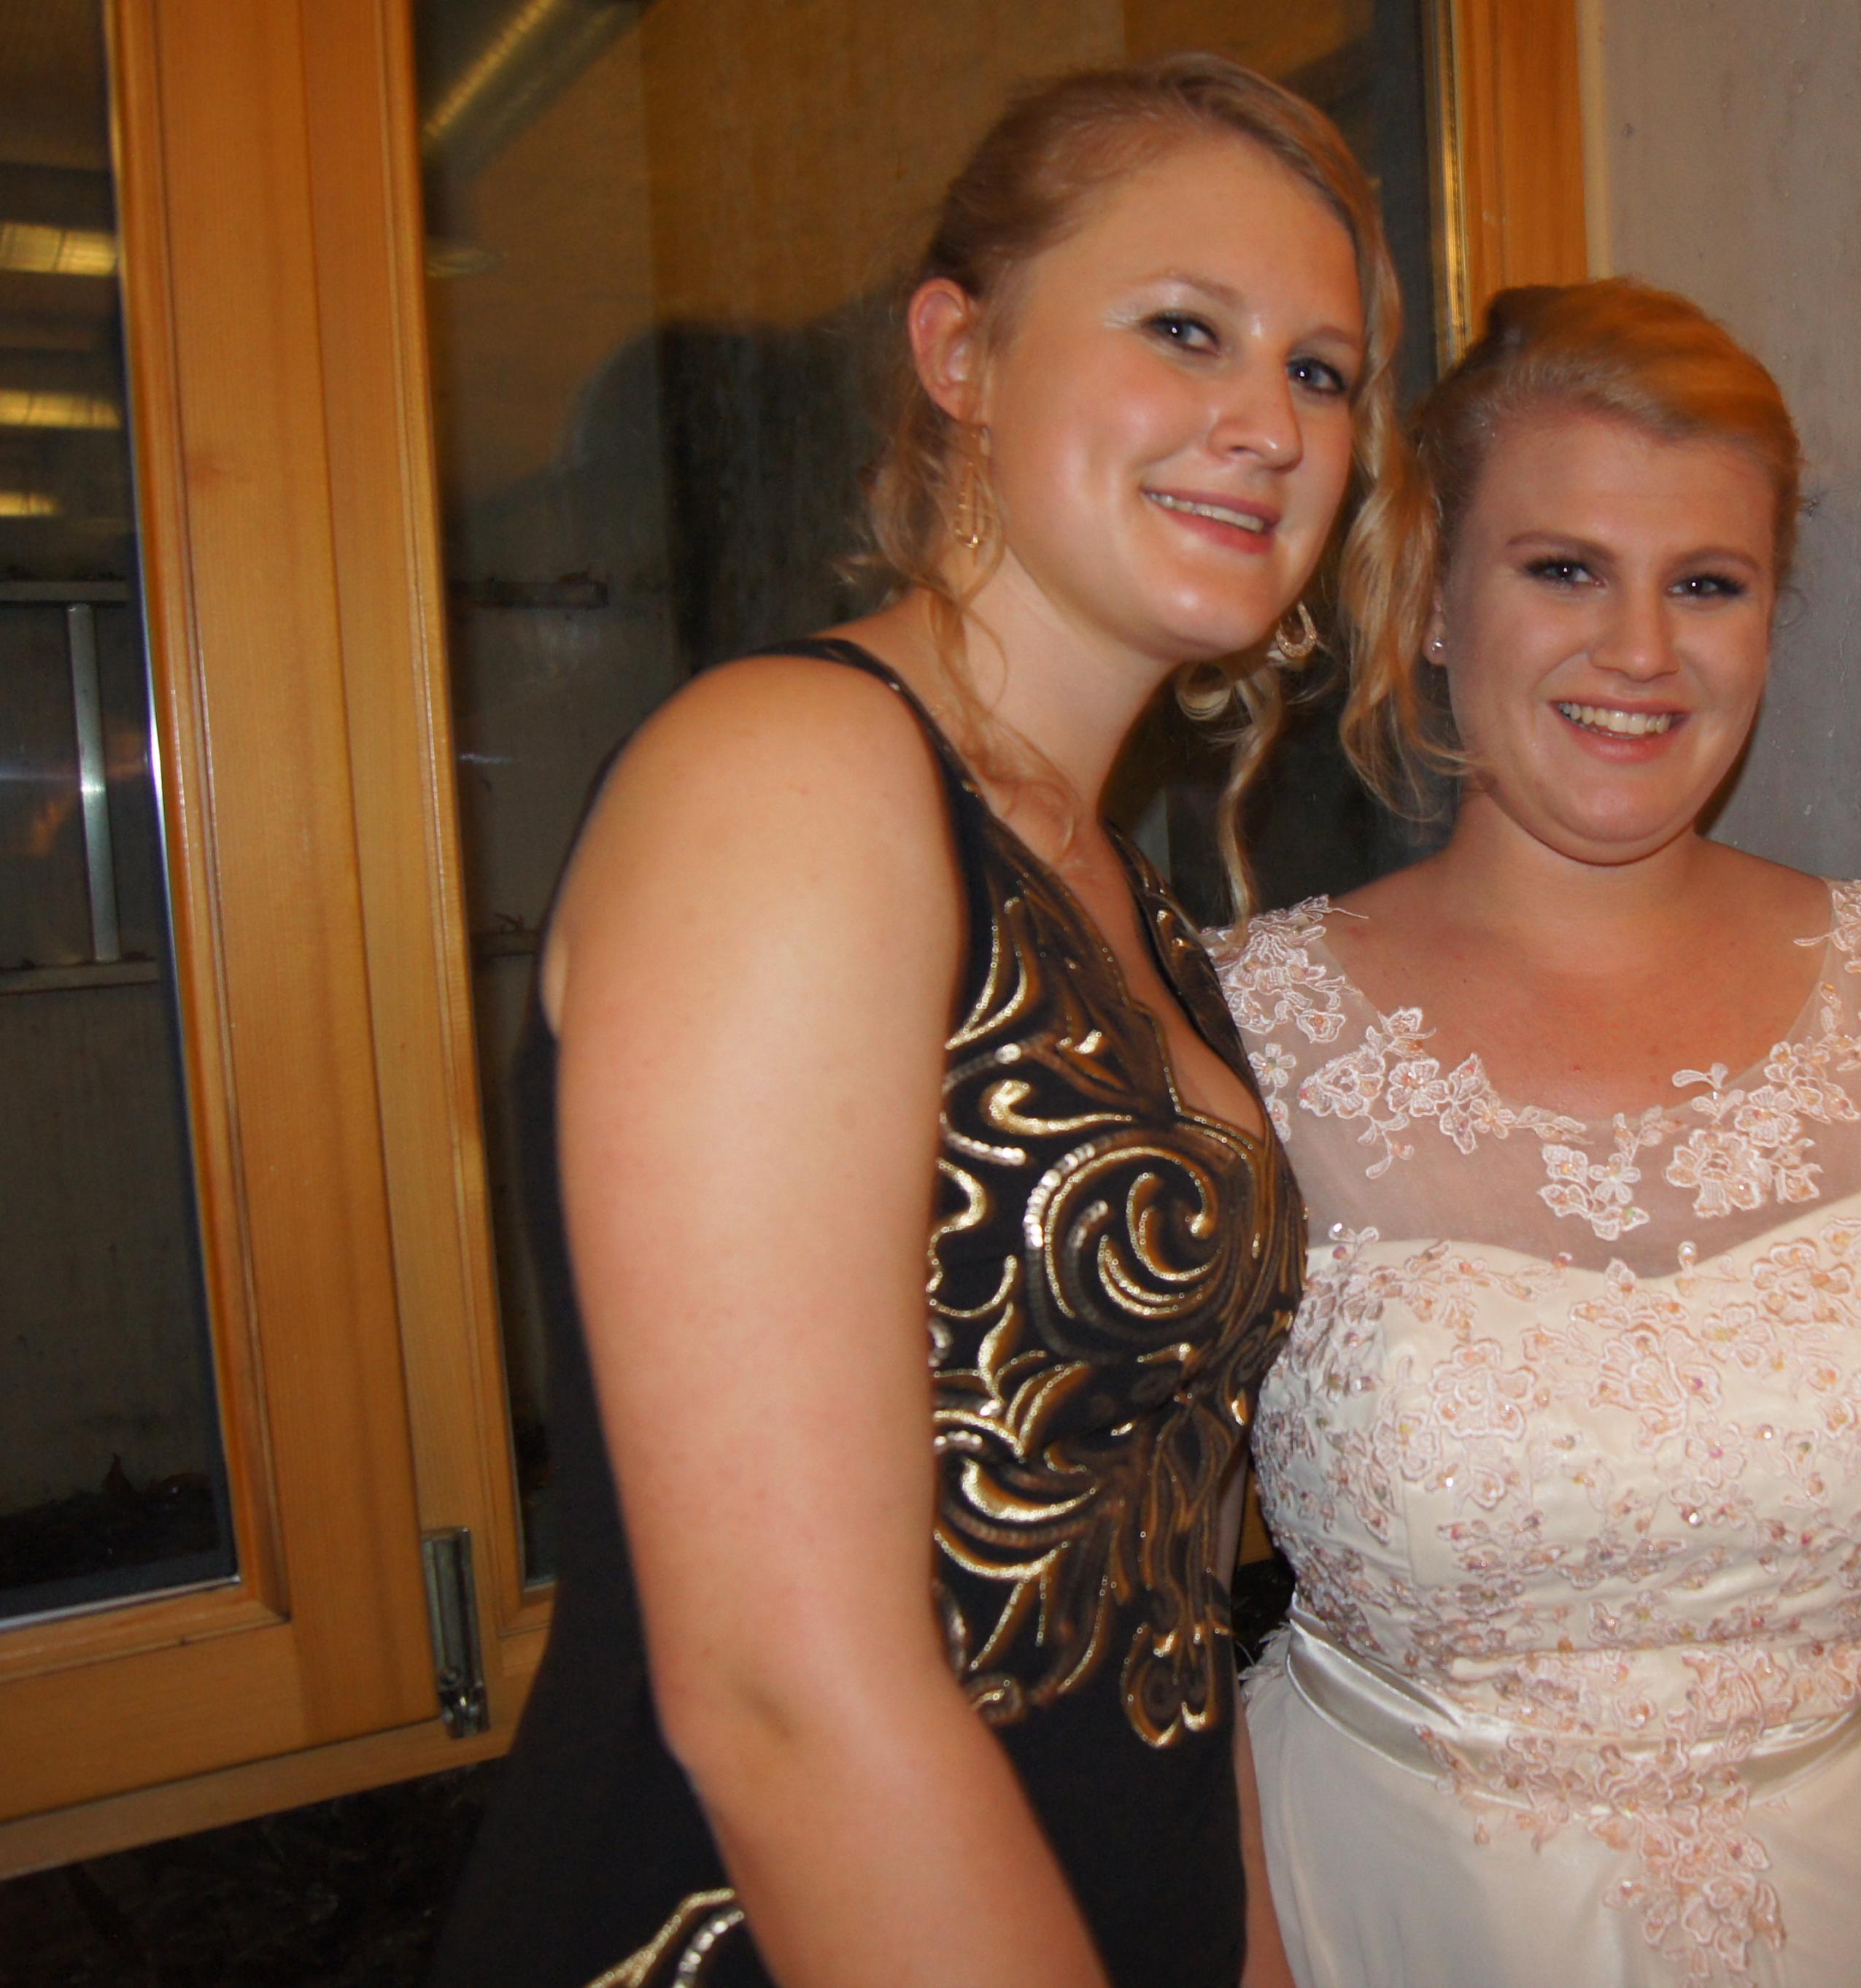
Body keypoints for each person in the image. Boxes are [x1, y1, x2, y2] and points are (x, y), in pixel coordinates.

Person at [427, 55, 1398, 1988]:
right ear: (960, 350)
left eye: (1321, 370)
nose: (1268, 424)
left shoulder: (1128, 899)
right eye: (1184, 328)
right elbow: (781, 1699)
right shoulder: (792, 776)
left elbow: (1163, 1597)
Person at [1210, 281, 1861, 1987]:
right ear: (1431, 600)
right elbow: (1145, 1606)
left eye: (1705, 583)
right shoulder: (1243, 1035)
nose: (1639, 650)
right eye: (1562, 569)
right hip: (1405, 1924)